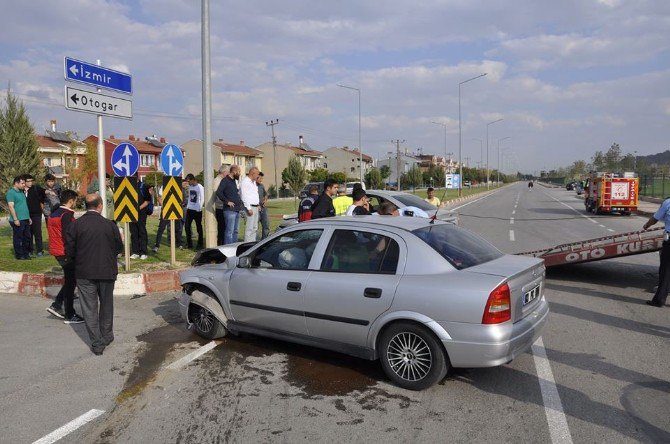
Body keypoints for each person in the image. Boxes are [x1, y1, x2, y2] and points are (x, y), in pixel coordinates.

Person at [65, 194, 123, 355]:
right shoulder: (110, 225)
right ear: (100, 205)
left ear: (86, 206)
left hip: (84, 272)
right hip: (107, 271)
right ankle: (107, 335)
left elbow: (69, 251)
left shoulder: (75, 225)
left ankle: (97, 344)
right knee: (106, 304)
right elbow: (119, 248)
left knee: (89, 308)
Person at [46, 189, 84, 324]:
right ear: (71, 201)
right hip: (65, 252)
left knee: (70, 280)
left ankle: (57, 305)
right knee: (70, 283)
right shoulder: (66, 215)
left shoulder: (54, 213)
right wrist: (74, 253)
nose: (75, 203)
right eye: (75, 201)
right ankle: (69, 313)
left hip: (57, 250)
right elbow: (69, 237)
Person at [642, 201, 670, 307]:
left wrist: (646, 225)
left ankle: (659, 300)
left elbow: (655, 218)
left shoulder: (668, 203)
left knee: (666, 271)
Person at [216, 165, 244, 244]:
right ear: (234, 171)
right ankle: (228, 248)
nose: (239, 174)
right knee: (229, 231)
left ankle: (234, 247)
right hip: (229, 211)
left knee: (236, 231)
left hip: (237, 209)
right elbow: (218, 192)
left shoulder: (233, 181)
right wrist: (227, 202)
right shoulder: (225, 180)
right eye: (239, 172)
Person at [6, 176, 32, 260]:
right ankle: (19, 255)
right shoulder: (11, 193)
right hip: (17, 220)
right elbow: (11, 206)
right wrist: (15, 219)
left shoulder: (21, 192)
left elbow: (24, 205)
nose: (24, 185)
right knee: (18, 238)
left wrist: (28, 217)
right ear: (16, 183)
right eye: (22, 183)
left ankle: (26, 254)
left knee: (27, 237)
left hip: (25, 219)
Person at [153, 184, 184, 252]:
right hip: (166, 210)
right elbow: (159, 197)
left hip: (175, 210)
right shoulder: (163, 186)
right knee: (161, 228)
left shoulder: (177, 185)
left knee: (178, 228)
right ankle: (157, 245)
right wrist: (164, 206)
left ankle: (179, 244)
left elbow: (180, 198)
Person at [129, 180, 153, 259]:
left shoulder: (143, 186)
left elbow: (147, 201)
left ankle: (143, 252)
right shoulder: (129, 185)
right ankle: (135, 252)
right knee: (133, 232)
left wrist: (138, 209)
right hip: (131, 213)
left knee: (141, 232)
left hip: (141, 213)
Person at [24, 174, 46, 256]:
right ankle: (30, 250)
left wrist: (42, 204)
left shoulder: (36, 188)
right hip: (26, 215)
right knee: (28, 233)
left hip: (36, 214)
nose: (30, 183)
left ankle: (39, 251)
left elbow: (44, 193)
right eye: (28, 181)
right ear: (24, 182)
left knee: (38, 233)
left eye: (31, 181)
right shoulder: (22, 190)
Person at [184, 174, 205, 250]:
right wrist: (188, 206)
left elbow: (202, 198)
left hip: (197, 210)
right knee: (187, 226)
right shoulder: (190, 187)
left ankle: (200, 244)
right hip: (190, 209)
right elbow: (190, 198)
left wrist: (199, 208)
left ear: (193, 180)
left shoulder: (200, 187)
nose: (188, 183)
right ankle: (189, 244)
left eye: (189, 181)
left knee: (198, 227)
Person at [240, 167, 261, 242]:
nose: (258, 176)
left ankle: (252, 243)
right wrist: (248, 208)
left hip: (255, 206)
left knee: (255, 227)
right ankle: (247, 244)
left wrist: (258, 204)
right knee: (249, 228)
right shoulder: (245, 182)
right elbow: (244, 196)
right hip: (250, 207)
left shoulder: (253, 182)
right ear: (253, 173)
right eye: (257, 174)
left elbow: (255, 194)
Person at [212, 165, 229, 245]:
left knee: (224, 228)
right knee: (222, 228)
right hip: (220, 207)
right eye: (228, 172)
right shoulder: (217, 181)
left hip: (224, 207)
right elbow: (217, 194)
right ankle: (221, 244)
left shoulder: (222, 180)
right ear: (224, 172)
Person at [257, 172, 270, 239]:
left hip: (263, 208)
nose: (261, 180)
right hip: (256, 208)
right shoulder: (252, 186)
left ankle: (265, 240)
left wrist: (265, 200)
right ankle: (256, 242)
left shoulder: (261, 186)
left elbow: (266, 194)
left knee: (266, 225)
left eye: (262, 178)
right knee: (255, 227)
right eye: (260, 178)